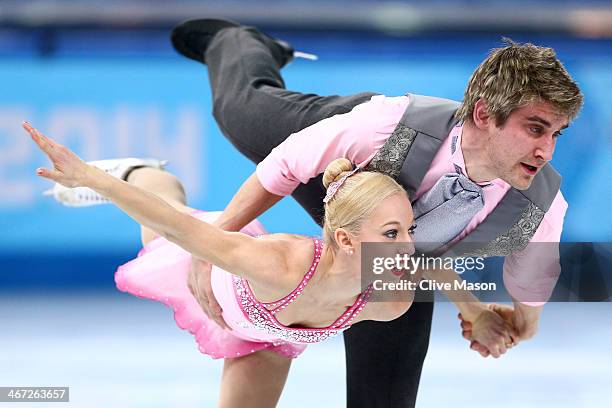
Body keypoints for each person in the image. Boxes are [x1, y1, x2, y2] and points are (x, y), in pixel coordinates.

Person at [169, 18, 584, 408]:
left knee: (385, 388)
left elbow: (531, 278)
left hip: (388, 253)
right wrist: (209, 245)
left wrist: (519, 326)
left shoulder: (541, 203)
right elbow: (285, 166)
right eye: (535, 128)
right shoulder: (385, 125)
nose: (546, 150)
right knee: (239, 113)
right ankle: (242, 43)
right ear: (483, 114)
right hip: (346, 167)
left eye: (555, 134)